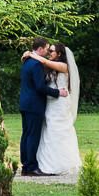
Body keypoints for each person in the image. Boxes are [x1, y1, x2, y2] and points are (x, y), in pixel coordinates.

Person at [27, 42, 81, 175]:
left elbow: (44, 61)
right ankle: (47, 163)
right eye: (49, 50)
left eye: (51, 51)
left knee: (60, 130)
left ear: (59, 54)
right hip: (51, 103)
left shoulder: (63, 66)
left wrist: (31, 54)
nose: (49, 53)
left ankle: (63, 164)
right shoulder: (50, 67)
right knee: (48, 130)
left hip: (61, 104)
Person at [19, 38, 68, 176]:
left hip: (25, 103)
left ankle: (25, 165)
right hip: (34, 105)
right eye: (47, 49)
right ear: (40, 49)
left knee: (26, 134)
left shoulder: (27, 61)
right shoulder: (36, 64)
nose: (47, 52)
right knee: (33, 136)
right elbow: (40, 87)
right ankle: (31, 167)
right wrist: (58, 92)